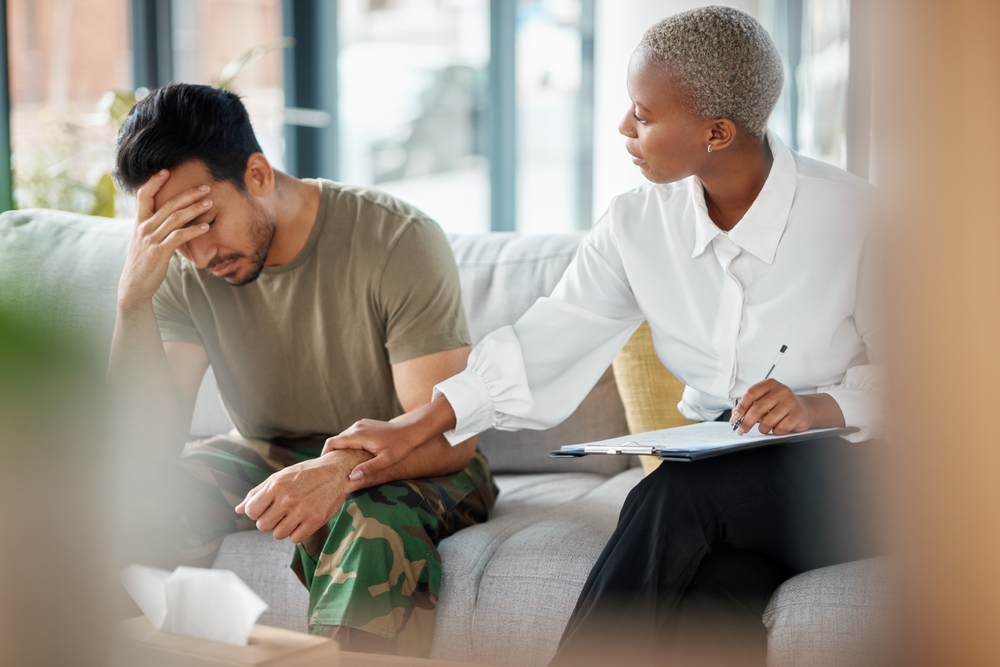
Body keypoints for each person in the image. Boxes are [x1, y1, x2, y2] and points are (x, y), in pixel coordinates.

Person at [326, 6, 882, 666]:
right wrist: (414, 424)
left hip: (861, 474)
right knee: (717, 594)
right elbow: (545, 341)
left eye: (643, 114)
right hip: (730, 476)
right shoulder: (635, 225)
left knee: (673, 493)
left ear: (717, 131)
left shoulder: (860, 218)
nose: (624, 127)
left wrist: (817, 406)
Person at [108, 83, 498, 657]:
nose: (199, 255)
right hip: (270, 447)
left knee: (370, 522)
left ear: (259, 175)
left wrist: (337, 471)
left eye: (205, 219)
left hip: (414, 456)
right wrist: (132, 298)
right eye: (175, 233)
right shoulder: (182, 268)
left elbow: (446, 432)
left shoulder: (395, 238)